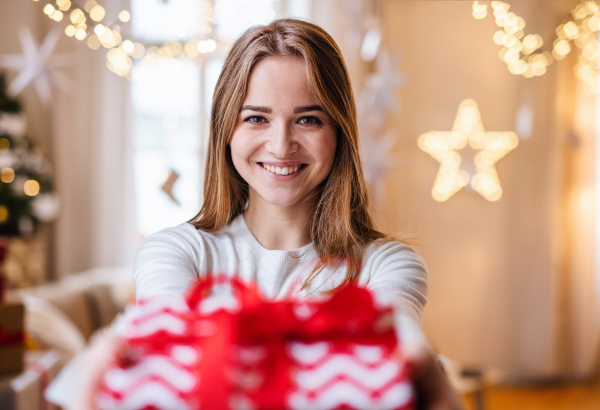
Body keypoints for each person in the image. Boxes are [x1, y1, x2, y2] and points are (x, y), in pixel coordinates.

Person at [49, 18, 463, 410]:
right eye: (256, 118)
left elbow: (400, 359)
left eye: (308, 119)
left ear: (339, 133)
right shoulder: (176, 252)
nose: (281, 146)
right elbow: (175, 366)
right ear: (227, 130)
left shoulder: (387, 264)